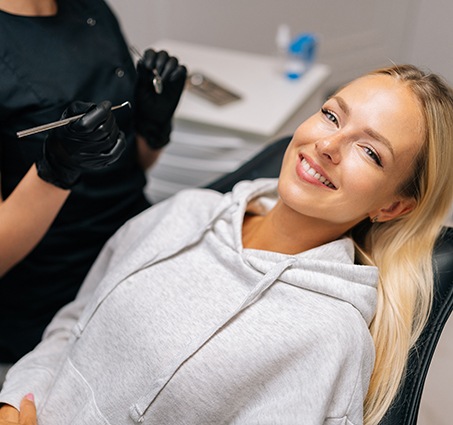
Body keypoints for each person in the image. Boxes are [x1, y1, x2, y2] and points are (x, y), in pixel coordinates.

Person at [1, 64, 453, 425]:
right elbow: (72, 325)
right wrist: (14, 404)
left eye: (370, 152)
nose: (329, 144)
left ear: (392, 207)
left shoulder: (328, 336)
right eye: (333, 115)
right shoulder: (188, 211)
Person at [0, 0, 187, 373]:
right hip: (53, 288)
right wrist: (56, 168)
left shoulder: (91, 10)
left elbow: (132, 165)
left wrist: (154, 123)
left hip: (138, 240)